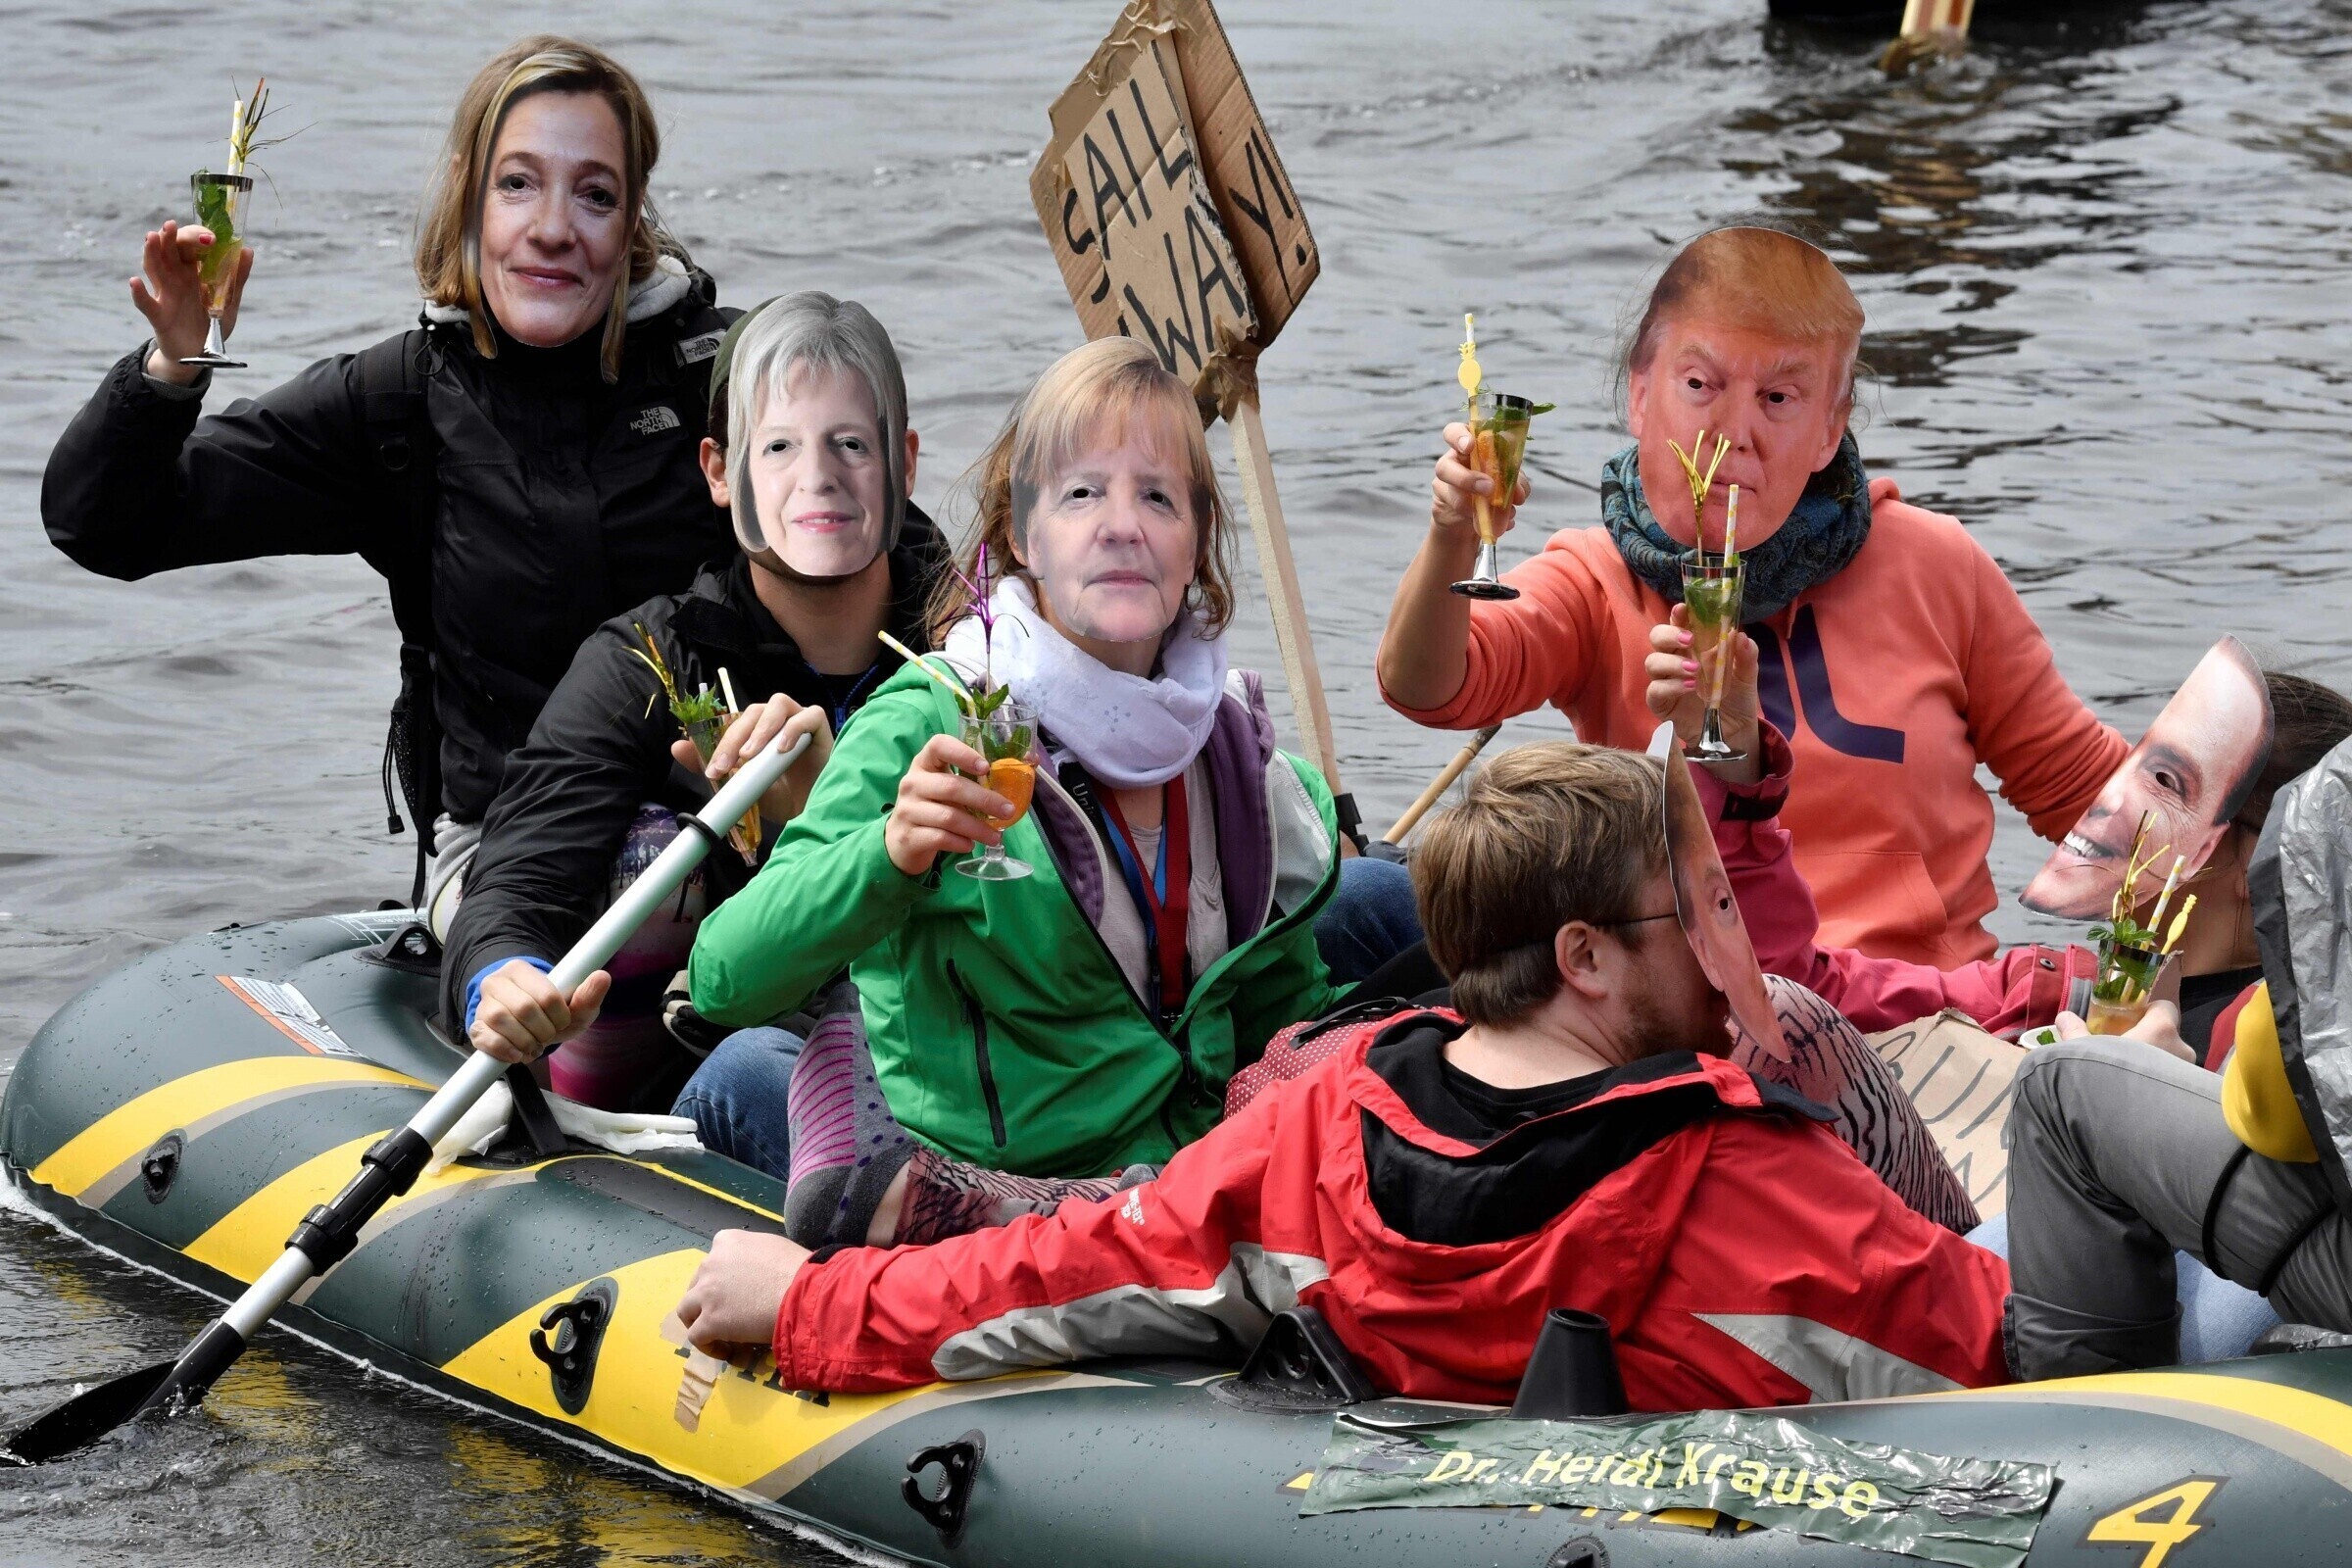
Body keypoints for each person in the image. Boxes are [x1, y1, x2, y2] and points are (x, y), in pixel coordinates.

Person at [670, 740, 2011, 1407]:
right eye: (1706, 912)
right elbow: (2015, 1365)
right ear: (1588, 960)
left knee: (1118, 1202)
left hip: (1342, 1291)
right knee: (2052, 1113)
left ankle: (938, 1163)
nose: (1732, 957)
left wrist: (809, 1306)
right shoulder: (1746, 1178)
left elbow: (1064, 1274)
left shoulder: (1321, 1126)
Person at [682, 336, 1417, 1247]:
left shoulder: (1238, 750)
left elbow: (1277, 1020)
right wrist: (891, 853)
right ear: (1022, 538)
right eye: (1081, 494)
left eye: (1158, 497)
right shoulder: (930, 717)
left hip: (1193, 1191)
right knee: (752, 1066)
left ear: (1196, 545)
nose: (1123, 525)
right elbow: (723, 977)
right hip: (995, 1204)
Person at [42, 36, 739, 906]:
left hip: (731, 827)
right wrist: (172, 368)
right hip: (499, 853)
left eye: (595, 194)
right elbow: (102, 522)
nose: (553, 228)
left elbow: (874, 562)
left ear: (632, 218)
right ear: (468, 196)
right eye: (517, 184)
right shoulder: (394, 404)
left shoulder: (730, 378)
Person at [1377, 223, 2125, 969]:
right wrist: (1453, 535)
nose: (1733, 433)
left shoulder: (1936, 566)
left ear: (1830, 428)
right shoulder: (1596, 579)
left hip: (1925, 1005)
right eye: (1700, 386)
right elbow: (1429, 690)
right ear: (1641, 395)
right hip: (1703, 1007)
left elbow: (2094, 802)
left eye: (1778, 397)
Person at [444, 293, 944, 1115]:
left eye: (852, 444)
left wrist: (828, 809)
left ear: (905, 463)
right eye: (778, 447)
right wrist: (502, 975)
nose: (818, 477)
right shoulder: (650, 662)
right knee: (651, 852)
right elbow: (519, 875)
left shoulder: (978, 648)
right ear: (718, 471)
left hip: (938, 1053)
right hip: (712, 1065)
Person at [1644, 608, 2352, 1055]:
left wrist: (2162, 1111)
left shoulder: (2297, 1057)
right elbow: (1789, 996)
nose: (2113, 801)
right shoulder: (2048, 993)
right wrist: (1734, 766)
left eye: (2164, 782)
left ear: (2265, 859)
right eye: (2134, 765)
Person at [2004, 736, 2352, 1377]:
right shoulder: (2053, 976)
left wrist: (2161, 1085)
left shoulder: (2251, 1004)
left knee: (2063, 1084)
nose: (2124, 817)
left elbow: (2280, 1121)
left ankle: (2096, 1417)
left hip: (2330, 1264)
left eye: (2166, 791)